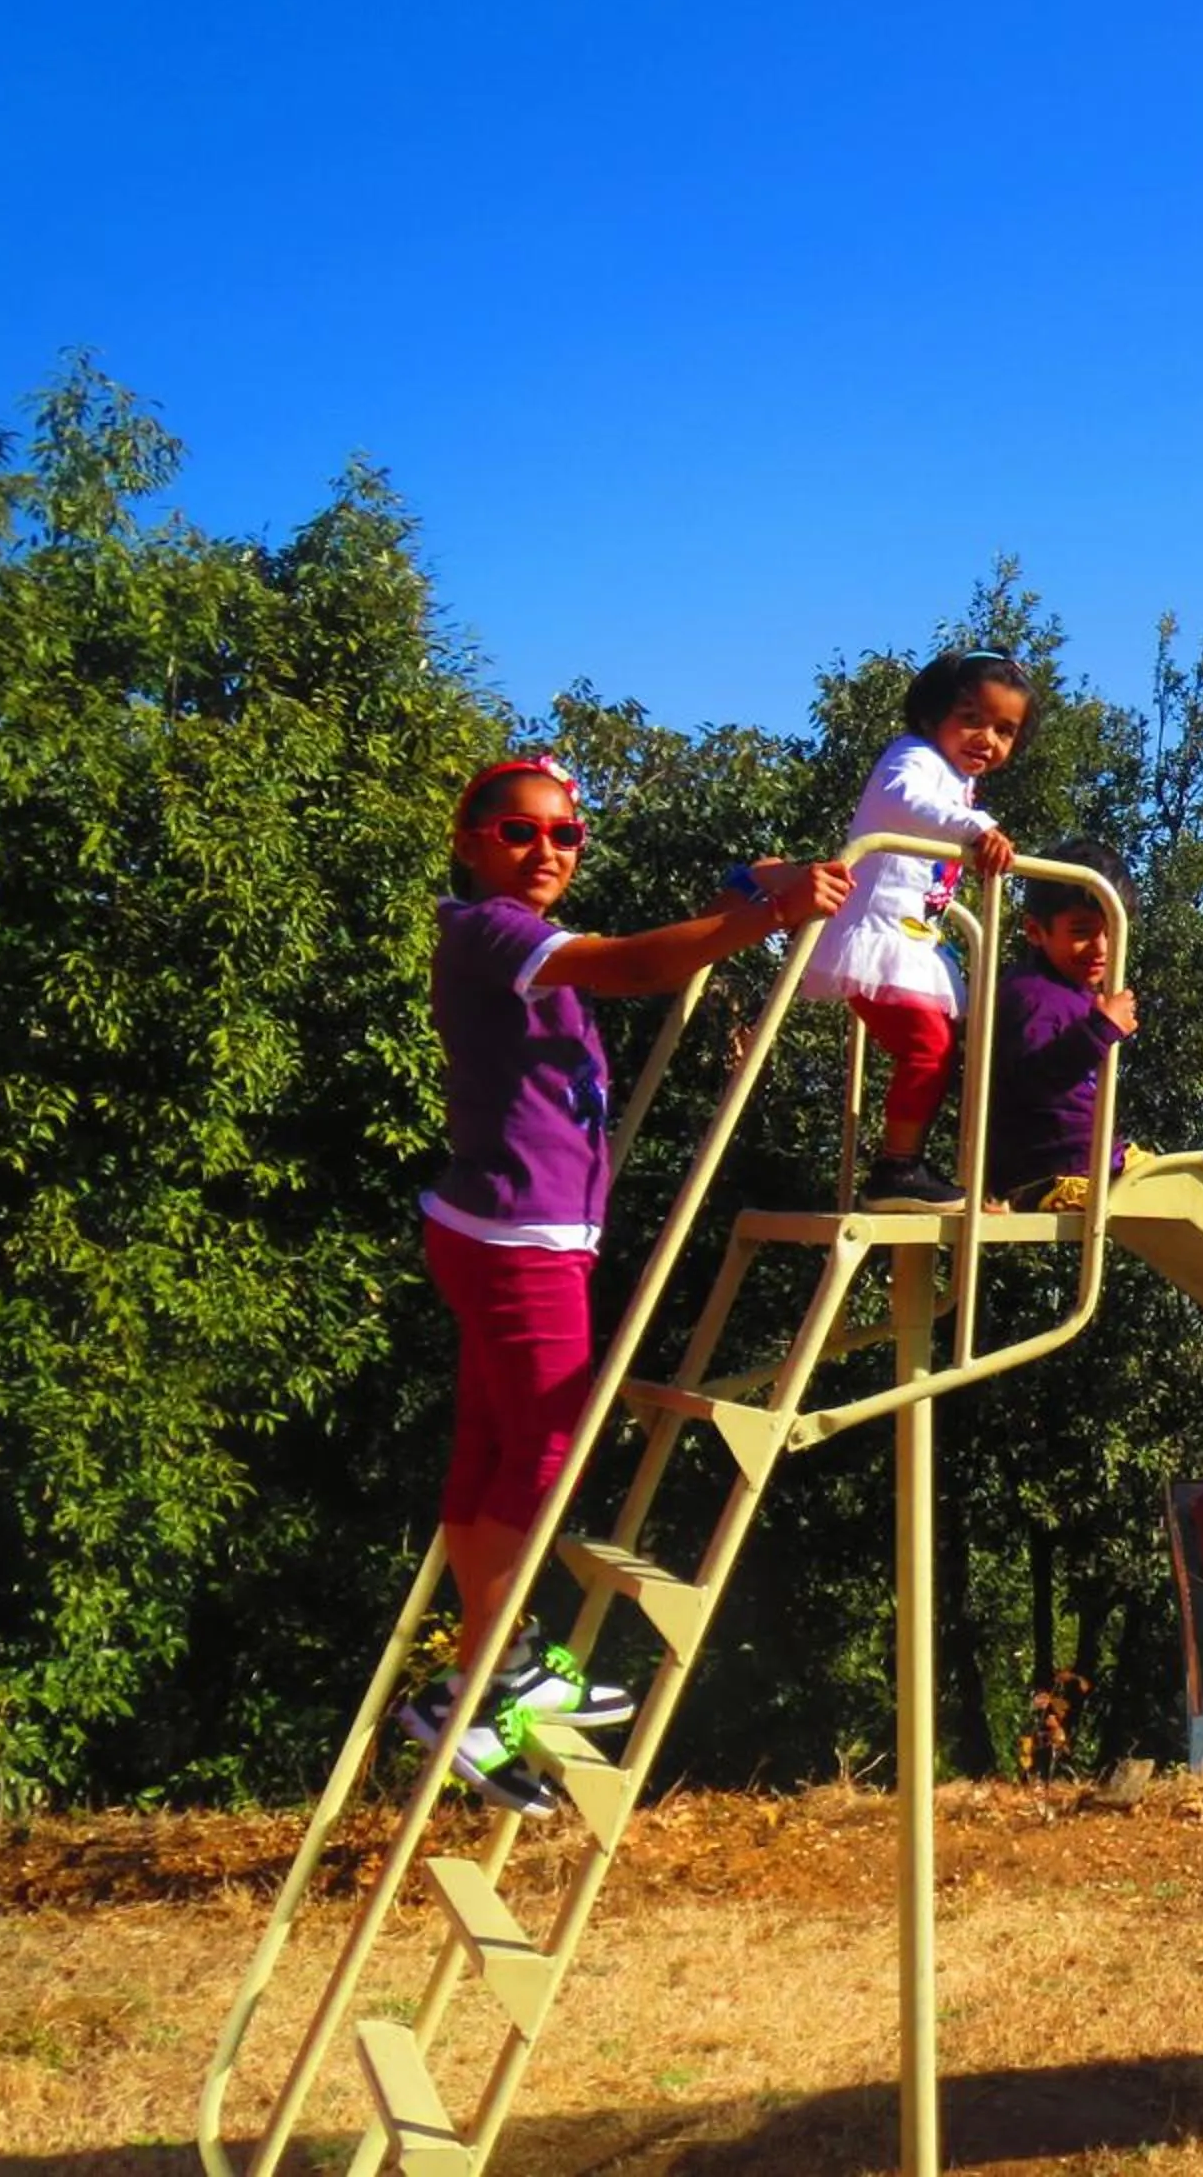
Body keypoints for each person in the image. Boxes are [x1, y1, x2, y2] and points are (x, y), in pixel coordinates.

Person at [396, 754, 851, 1813]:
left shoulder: (512, 940)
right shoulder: (495, 931)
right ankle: (483, 1681)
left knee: (495, 1445)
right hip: (522, 1239)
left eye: (565, 835)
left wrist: (762, 883)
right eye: (519, 831)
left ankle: (480, 1676)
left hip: (502, 1231)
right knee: (549, 1448)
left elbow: (669, 938)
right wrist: (767, 919)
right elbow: (643, 967)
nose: (546, 849)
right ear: (470, 843)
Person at [801, 646, 1029, 1210]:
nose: (987, 739)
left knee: (944, 1047)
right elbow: (904, 799)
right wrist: (977, 829)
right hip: (880, 938)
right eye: (972, 719)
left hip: (910, 938)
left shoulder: (954, 780)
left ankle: (915, 1165)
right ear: (932, 716)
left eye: (1004, 730)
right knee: (928, 1047)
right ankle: (897, 1169)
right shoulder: (915, 757)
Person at [984, 839, 1139, 1211]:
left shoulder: (1068, 989)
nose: (1101, 948)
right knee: (1184, 1193)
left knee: (1191, 1181)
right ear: (1036, 931)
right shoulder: (1033, 996)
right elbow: (1033, 1078)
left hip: (1087, 1162)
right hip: (1054, 1174)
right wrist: (1101, 1029)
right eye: (1082, 931)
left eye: (1112, 931)